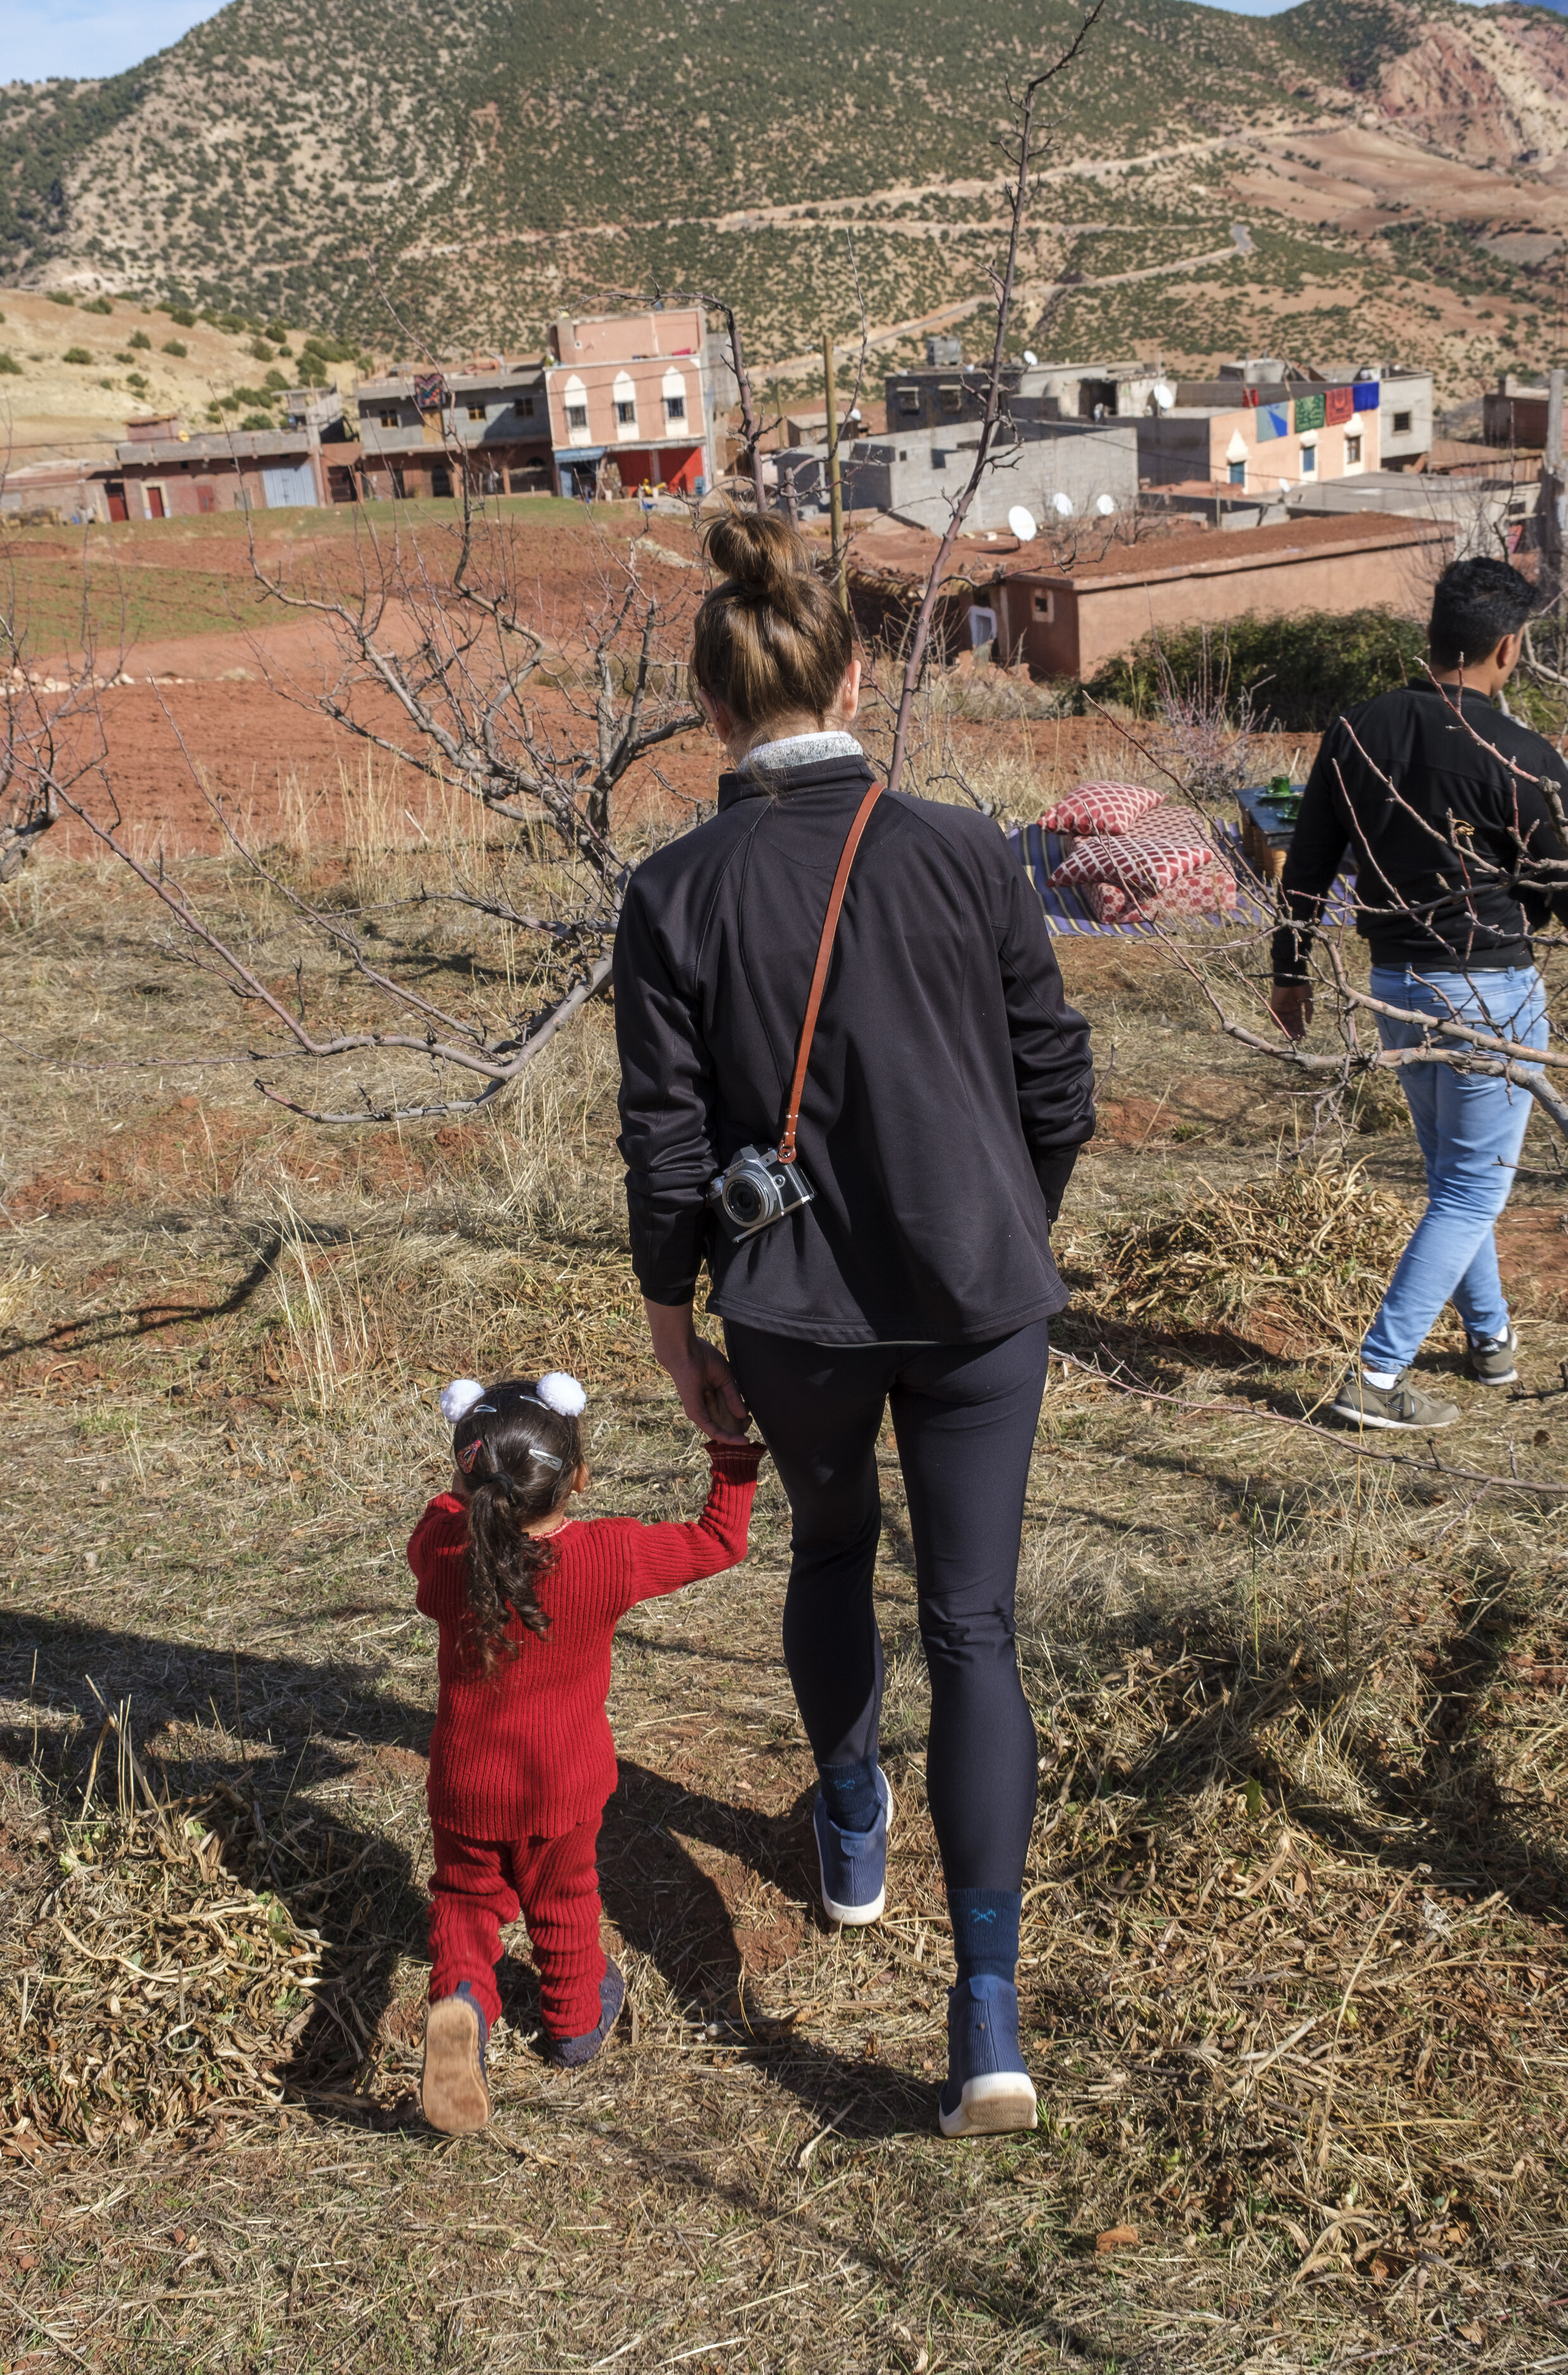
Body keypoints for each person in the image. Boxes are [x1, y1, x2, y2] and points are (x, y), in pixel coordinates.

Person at [612, 510, 1096, 2138]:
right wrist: (1008, 1222)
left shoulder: (674, 891)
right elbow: (1055, 1082)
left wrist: (674, 1320)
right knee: (975, 1628)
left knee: (830, 1555)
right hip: (980, 1298)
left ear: (711, 701)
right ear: (858, 672)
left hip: (793, 1310)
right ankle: (988, 2010)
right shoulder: (968, 851)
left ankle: (851, 1821)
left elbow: (665, 1141)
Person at [409, 1367, 763, 2132]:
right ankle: (574, 2025)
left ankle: (463, 2002)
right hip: (563, 1786)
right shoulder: (608, 1556)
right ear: (581, 1477)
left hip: (465, 1786)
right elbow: (719, 1541)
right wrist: (730, 1451)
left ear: (467, 1482)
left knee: (466, 1902)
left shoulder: (442, 1550)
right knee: (564, 1900)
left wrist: (461, 1493)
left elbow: (440, 1520)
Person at [1270, 555, 1568, 1430]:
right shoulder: (1519, 756)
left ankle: (1490, 1338)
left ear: (1432, 635)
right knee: (1475, 1188)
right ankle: (1377, 1372)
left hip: (1396, 982)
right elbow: (1555, 889)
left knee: (1454, 1176)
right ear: (1509, 649)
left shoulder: (1357, 728)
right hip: (1487, 988)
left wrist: (1289, 970)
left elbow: (1311, 857)